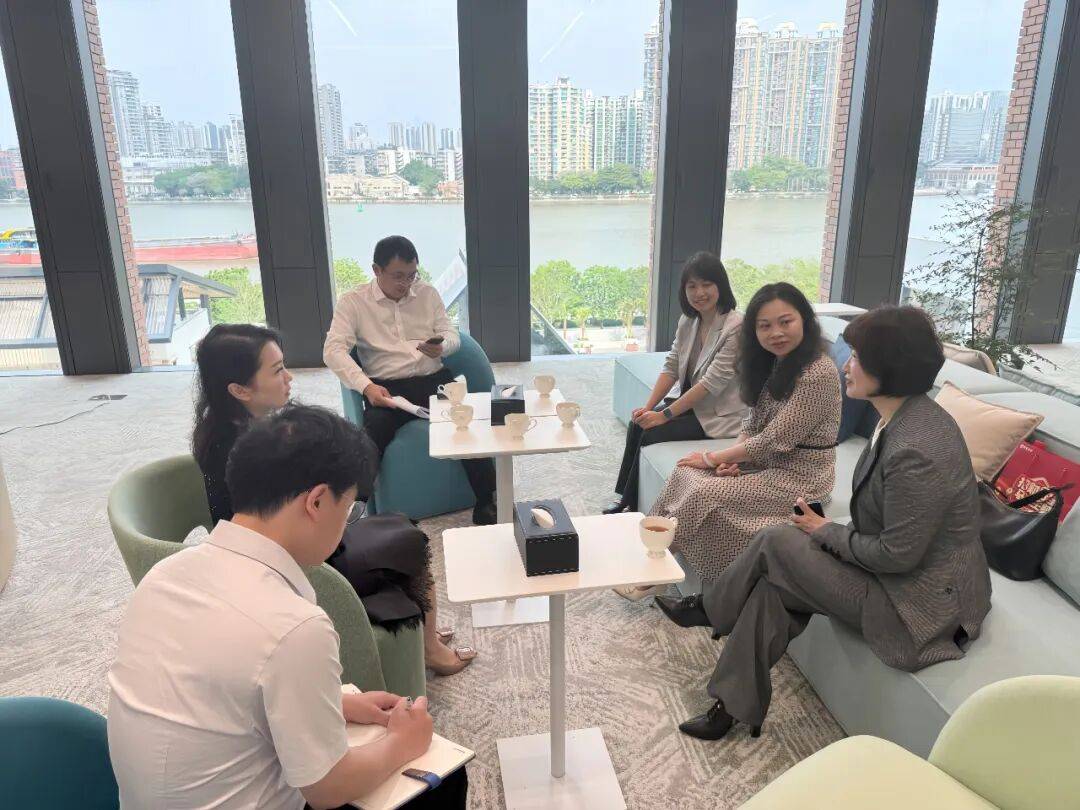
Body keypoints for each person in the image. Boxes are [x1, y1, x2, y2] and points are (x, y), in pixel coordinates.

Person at [655, 305, 992, 741]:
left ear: (889, 367)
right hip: (893, 575)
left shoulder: (917, 450)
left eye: (857, 358)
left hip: (915, 605)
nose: (846, 367)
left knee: (776, 540)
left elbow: (897, 556)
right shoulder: (905, 416)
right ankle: (733, 704)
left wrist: (824, 530)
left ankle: (711, 608)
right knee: (774, 582)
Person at [109, 405, 469, 809]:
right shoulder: (294, 627)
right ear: (317, 502)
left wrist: (337, 703)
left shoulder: (165, 575)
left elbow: (215, 690)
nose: (347, 523)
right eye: (350, 508)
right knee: (444, 777)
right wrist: (403, 742)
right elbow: (328, 788)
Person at [192, 323, 475, 676]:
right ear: (239, 389)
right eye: (277, 371)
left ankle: (423, 633)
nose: (289, 378)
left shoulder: (233, 431)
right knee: (409, 542)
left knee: (397, 525)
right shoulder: (242, 450)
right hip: (295, 560)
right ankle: (430, 648)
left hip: (291, 541)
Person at [641, 282, 842, 592]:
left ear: (804, 319)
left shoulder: (819, 372)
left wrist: (712, 457)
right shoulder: (776, 362)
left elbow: (772, 439)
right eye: (765, 326)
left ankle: (654, 570)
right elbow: (753, 422)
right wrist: (731, 461)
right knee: (685, 472)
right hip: (766, 463)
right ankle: (650, 551)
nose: (776, 333)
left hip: (801, 478)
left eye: (785, 322)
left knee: (704, 492)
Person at [323, 235, 497, 525]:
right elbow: (332, 351)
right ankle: (356, 505)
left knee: (467, 421)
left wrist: (442, 347)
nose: (406, 283)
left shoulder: (427, 294)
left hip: (433, 379)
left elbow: (451, 334)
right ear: (376, 270)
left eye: (412, 275)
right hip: (387, 387)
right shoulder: (353, 302)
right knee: (373, 432)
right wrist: (366, 386)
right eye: (398, 276)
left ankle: (487, 500)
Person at [605, 252, 745, 520]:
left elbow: (710, 383)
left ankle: (631, 505)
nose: (699, 292)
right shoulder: (688, 321)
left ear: (721, 286)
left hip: (718, 414)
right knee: (638, 423)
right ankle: (624, 498)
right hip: (691, 404)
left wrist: (664, 415)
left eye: (706, 284)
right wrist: (647, 408)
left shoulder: (736, 327)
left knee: (651, 432)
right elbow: (671, 366)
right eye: (692, 286)